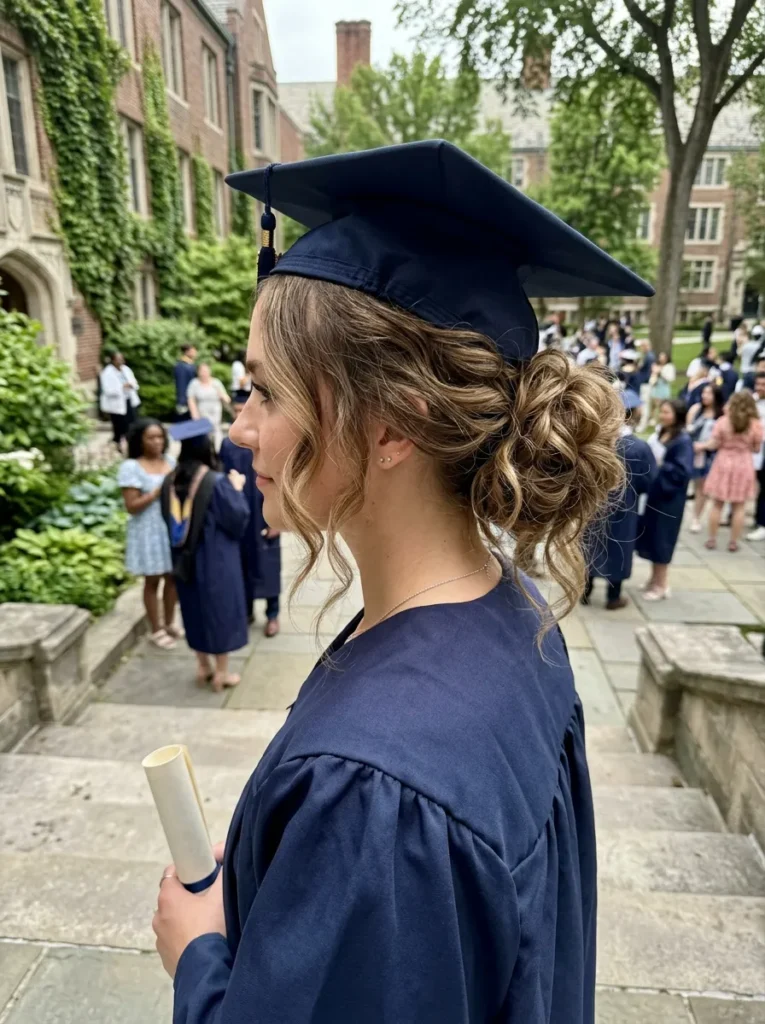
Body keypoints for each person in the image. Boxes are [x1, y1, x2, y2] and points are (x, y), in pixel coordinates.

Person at [152, 140, 654, 1023]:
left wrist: (198, 957)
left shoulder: (372, 788)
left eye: (265, 393)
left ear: (391, 427)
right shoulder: (512, 619)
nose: (239, 430)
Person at [161, 419, 250, 689]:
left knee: (194, 609)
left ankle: (203, 666)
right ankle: (221, 673)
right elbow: (237, 518)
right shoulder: (216, 482)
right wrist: (236, 489)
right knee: (219, 611)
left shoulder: (169, 481)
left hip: (184, 560)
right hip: (216, 559)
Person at [582, 390, 656, 609]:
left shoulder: (596, 441)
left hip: (596, 503)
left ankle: (585, 592)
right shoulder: (639, 448)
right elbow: (648, 480)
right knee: (619, 548)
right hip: (625, 505)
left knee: (592, 544)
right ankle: (613, 597)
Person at [220, 398, 282, 636]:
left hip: (265, 513)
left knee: (268, 564)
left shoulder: (268, 440)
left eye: (242, 411)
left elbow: (283, 482)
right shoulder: (227, 445)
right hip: (240, 515)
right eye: (234, 412)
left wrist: (279, 521)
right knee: (242, 564)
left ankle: (272, 614)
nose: (239, 416)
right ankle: (246, 611)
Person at [118, 418, 180, 649]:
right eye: (150, 437)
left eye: (160, 437)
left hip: (170, 528)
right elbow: (131, 506)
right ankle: (156, 629)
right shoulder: (132, 467)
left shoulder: (171, 462)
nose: (156, 442)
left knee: (172, 578)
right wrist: (156, 492)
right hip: (147, 530)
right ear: (140, 441)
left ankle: (170, 622)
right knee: (152, 580)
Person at [636, 399, 694, 600]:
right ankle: (654, 578)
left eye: (667, 412)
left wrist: (661, 464)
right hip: (655, 495)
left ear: (677, 415)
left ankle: (662, 584)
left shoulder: (683, 441)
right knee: (653, 537)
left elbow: (682, 472)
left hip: (670, 499)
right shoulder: (662, 432)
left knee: (663, 540)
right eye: (661, 412)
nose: (662, 416)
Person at [700, 389, 764, 552]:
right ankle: (733, 542)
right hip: (744, 463)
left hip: (723, 461)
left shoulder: (723, 421)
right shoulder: (756, 425)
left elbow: (714, 443)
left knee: (717, 504)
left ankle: (712, 539)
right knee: (739, 506)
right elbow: (757, 449)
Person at [686, 384, 725, 532]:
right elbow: (688, 429)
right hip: (694, 453)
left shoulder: (721, 414)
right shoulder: (696, 410)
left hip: (711, 455)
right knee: (698, 486)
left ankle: (699, 516)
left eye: (709, 393)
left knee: (705, 487)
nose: (705, 396)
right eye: (704, 393)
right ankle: (697, 516)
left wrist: (705, 446)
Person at [99, 351, 139, 449]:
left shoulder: (126, 369)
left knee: (132, 422)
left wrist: (131, 385)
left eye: (122, 359)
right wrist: (121, 387)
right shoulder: (107, 373)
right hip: (116, 404)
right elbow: (107, 390)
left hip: (128, 399)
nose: (120, 361)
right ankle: (117, 443)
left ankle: (130, 441)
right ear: (113, 361)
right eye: (118, 359)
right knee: (119, 425)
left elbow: (134, 382)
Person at [187, 363, 232, 450]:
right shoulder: (194, 383)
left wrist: (223, 396)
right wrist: (194, 414)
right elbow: (191, 399)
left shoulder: (216, 382)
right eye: (202, 371)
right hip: (202, 410)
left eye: (206, 371)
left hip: (215, 410)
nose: (204, 373)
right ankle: (205, 451)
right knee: (204, 432)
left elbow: (227, 398)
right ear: (198, 372)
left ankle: (218, 450)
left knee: (216, 430)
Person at [747, 372, 765, 541]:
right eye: (758, 384)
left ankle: (762, 523)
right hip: (751, 447)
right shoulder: (751, 401)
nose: (760, 388)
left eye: (763, 385)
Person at [648, 351, 676, 424]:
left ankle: (660, 419)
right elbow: (652, 377)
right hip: (656, 387)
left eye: (663, 357)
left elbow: (670, 379)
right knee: (654, 404)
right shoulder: (656, 365)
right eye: (660, 357)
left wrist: (661, 372)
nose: (661, 358)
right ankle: (654, 419)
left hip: (663, 387)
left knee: (662, 403)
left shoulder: (669, 367)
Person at [173, 343, 198, 421]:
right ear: (187, 352)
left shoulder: (190, 365)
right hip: (185, 400)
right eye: (193, 351)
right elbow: (182, 385)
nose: (195, 353)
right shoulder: (182, 366)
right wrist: (183, 401)